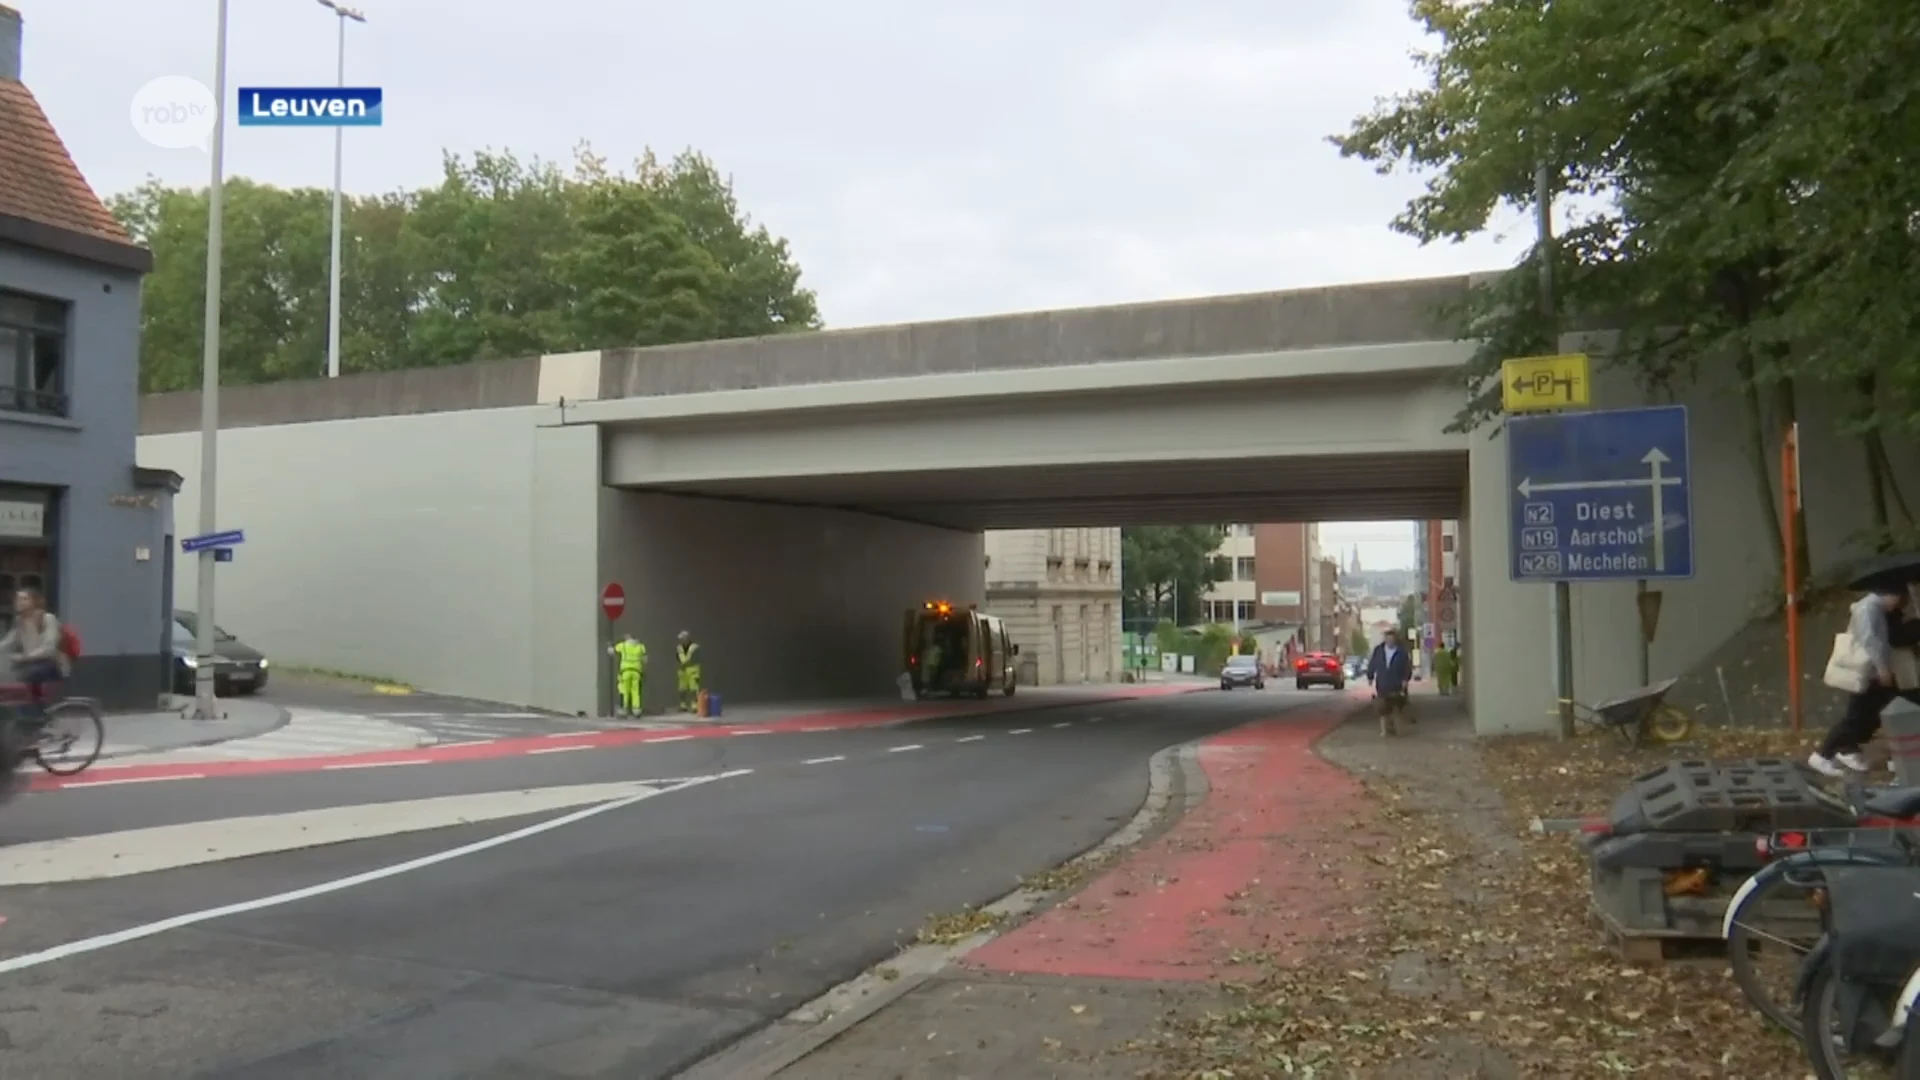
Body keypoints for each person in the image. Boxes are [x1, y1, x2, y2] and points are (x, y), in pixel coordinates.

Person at [1810, 586, 1920, 776]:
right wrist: (1882, 668)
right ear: (1890, 594)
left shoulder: (1880, 610)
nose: (1902, 604)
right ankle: (1824, 755)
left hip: (1876, 673)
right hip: (1871, 673)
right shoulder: (1868, 609)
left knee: (1878, 713)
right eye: (1901, 598)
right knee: (1858, 717)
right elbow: (1871, 642)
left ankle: (1852, 750)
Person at [0, 588, 67, 723]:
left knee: (19, 678)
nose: (19, 602)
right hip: (31, 665)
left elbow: (49, 648)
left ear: (34, 602)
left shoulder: (48, 619)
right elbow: (8, 642)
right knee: (6, 678)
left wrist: (25, 657)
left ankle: (30, 720)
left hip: (51, 664)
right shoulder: (20, 621)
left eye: (24, 599)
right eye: (18, 599)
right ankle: (18, 720)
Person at [1366, 628, 1415, 737]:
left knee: (1397, 708)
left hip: (1397, 684)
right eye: (1388, 639)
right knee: (1383, 709)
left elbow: (1407, 667)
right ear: (1385, 639)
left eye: (1392, 639)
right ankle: (1385, 731)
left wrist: (1405, 679)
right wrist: (1370, 676)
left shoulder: (1401, 652)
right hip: (1383, 683)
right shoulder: (1379, 650)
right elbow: (1373, 664)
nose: (1390, 641)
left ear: (1395, 640)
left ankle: (1398, 730)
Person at [608, 632, 647, 717]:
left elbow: (611, 652)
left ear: (628, 637)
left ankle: (624, 710)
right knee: (635, 691)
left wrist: (609, 646)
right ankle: (636, 710)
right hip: (637, 671)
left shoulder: (623, 645)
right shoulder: (641, 646)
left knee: (625, 690)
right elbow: (645, 660)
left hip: (625, 671)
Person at [675, 630, 702, 713]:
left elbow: (696, 659)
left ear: (687, 638)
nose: (681, 641)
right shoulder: (679, 647)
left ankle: (694, 705)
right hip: (682, 671)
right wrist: (681, 665)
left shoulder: (695, 647)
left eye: (682, 639)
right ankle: (683, 705)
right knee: (682, 689)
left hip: (692, 670)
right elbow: (677, 657)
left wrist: (685, 664)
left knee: (694, 689)